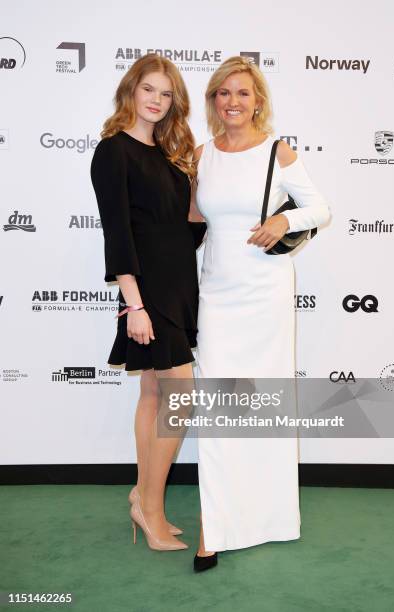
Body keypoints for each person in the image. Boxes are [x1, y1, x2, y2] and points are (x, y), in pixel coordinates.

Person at [190, 56, 331, 571]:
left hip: (266, 292)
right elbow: (190, 224)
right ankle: (216, 524)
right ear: (212, 102)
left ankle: (268, 517)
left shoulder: (278, 150)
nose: (233, 102)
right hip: (218, 293)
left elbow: (320, 208)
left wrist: (284, 218)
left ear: (258, 101)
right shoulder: (201, 156)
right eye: (223, 93)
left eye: (243, 93)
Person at [91, 54, 205, 552]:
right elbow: (118, 234)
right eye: (149, 90)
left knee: (156, 397)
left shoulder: (171, 157)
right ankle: (150, 509)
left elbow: (186, 236)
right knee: (180, 398)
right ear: (130, 92)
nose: (157, 100)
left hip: (180, 286)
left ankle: (143, 495)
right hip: (147, 293)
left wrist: (199, 189)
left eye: (166, 93)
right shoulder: (113, 151)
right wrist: (132, 305)